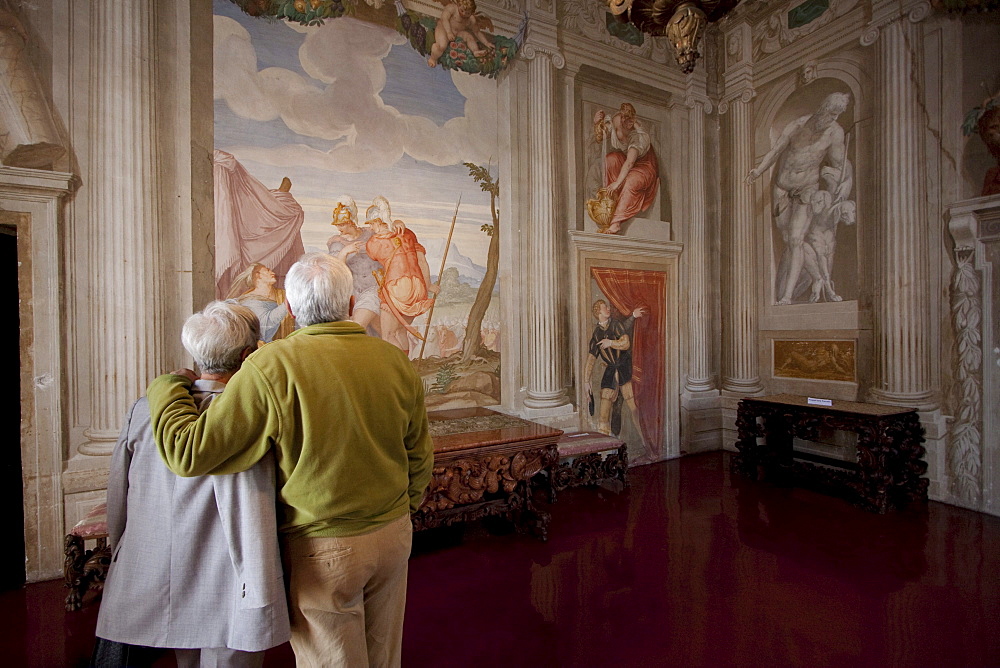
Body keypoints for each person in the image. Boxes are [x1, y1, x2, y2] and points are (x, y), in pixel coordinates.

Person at [146, 252, 435, 668]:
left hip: (325, 545)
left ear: (294, 310)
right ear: (351, 306)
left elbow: (188, 452)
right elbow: (418, 452)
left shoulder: (272, 364)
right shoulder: (393, 360)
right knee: (384, 655)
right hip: (392, 534)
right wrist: (405, 507)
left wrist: (167, 385)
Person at [93, 301, 289, 668]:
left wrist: (121, 549)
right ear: (248, 355)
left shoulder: (144, 410)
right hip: (234, 565)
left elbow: (120, 491)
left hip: (165, 559)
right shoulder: (257, 412)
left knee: (187, 652)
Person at [745, 92, 850, 305]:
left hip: (807, 189)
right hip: (782, 189)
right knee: (787, 239)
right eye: (831, 114)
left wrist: (840, 182)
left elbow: (840, 166)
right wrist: (759, 171)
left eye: (837, 115)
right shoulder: (798, 126)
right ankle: (816, 276)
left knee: (795, 239)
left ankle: (787, 296)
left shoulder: (835, 133)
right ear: (822, 110)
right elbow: (775, 151)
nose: (833, 119)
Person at [365, 196, 439, 353]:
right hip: (418, 287)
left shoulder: (373, 243)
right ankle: (408, 365)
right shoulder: (408, 233)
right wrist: (428, 286)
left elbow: (370, 242)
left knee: (388, 335)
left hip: (398, 288)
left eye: (371, 223)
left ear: (378, 221)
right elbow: (422, 263)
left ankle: (403, 368)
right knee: (400, 331)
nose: (371, 228)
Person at [583, 299, 649, 460]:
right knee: (603, 415)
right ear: (598, 312)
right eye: (605, 307)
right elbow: (591, 358)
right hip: (610, 373)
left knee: (634, 408)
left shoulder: (616, 324)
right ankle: (601, 454)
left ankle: (647, 442)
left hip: (624, 371)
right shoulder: (596, 332)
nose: (608, 309)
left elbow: (626, 343)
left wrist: (610, 342)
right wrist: (586, 381)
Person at [593, 103, 660, 234]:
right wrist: (597, 123)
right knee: (611, 159)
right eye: (615, 129)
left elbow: (629, 163)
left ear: (628, 126)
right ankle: (611, 202)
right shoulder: (618, 120)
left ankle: (616, 222)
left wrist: (617, 183)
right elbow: (602, 134)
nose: (615, 133)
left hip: (645, 168)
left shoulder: (637, 136)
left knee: (631, 180)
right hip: (630, 164)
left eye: (618, 130)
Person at [327, 195, 384, 335]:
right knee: (376, 330)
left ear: (351, 221)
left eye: (341, 224)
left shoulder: (370, 233)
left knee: (359, 327)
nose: (338, 228)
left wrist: (398, 223)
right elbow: (335, 270)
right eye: (337, 225)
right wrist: (344, 252)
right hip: (354, 293)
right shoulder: (337, 243)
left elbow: (388, 235)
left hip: (374, 289)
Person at [225, 262, 294, 343]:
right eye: (267, 270)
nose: (273, 273)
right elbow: (266, 323)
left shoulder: (280, 294)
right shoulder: (251, 300)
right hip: (263, 348)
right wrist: (287, 303)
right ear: (258, 275)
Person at [427, 0, 494, 67]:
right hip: (444, 29)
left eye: (467, 13)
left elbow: (477, 32)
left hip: (457, 33)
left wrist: (486, 43)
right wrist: (449, 32)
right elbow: (444, 19)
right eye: (462, 10)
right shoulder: (452, 8)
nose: (464, 14)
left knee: (468, 36)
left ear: (472, 12)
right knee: (442, 46)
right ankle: (433, 58)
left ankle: (475, 51)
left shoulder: (471, 19)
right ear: (458, 5)